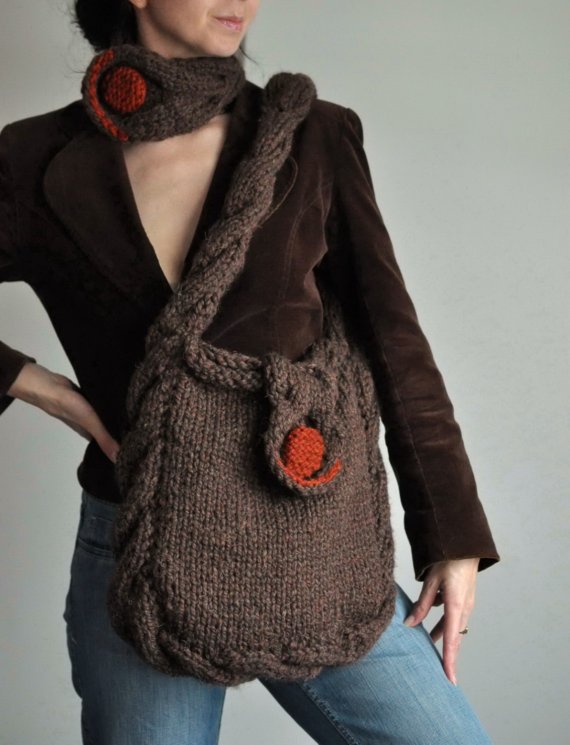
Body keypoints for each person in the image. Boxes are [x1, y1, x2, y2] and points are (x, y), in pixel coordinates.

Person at [0, 1, 501, 742]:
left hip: (306, 530)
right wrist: (40, 388)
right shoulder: (33, 156)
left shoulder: (313, 132)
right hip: (138, 540)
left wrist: (451, 530)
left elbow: (393, 338)